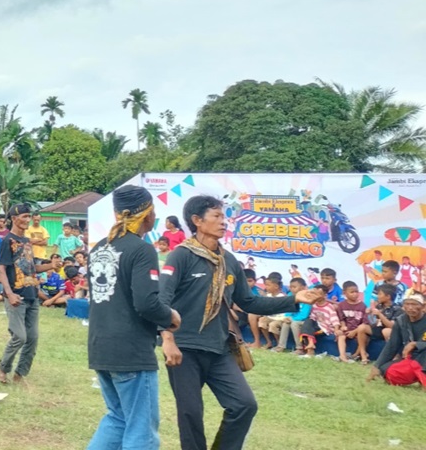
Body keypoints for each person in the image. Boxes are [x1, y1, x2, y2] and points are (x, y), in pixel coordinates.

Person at [159, 195, 320, 450]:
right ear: (197, 221)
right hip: (184, 348)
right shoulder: (181, 256)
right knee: (190, 414)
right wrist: (167, 339)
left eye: (224, 217)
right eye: (217, 217)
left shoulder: (228, 260)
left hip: (219, 348)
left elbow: (249, 302)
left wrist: (294, 299)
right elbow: (163, 299)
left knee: (244, 405)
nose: (223, 222)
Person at [86, 185, 180, 450]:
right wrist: (170, 317)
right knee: (142, 429)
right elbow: (147, 303)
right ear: (148, 215)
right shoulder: (142, 250)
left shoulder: (99, 249)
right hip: (130, 351)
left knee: (117, 418)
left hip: (100, 346)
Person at [0, 203, 59, 384]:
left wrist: (51, 266)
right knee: (19, 336)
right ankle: (3, 368)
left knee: (32, 338)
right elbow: (1, 269)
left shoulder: (27, 242)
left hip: (32, 294)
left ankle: (20, 374)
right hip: (16, 295)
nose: (27, 220)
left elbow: (33, 268)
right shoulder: (7, 241)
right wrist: (9, 294)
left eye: (28, 216)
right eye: (24, 216)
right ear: (14, 219)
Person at [368, 292, 426, 387]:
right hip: (411, 358)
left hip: (423, 356)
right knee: (387, 371)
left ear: (423, 306)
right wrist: (377, 365)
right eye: (407, 304)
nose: (410, 308)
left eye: (414, 304)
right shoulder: (401, 321)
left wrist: (415, 344)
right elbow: (392, 346)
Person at [335, 281, 369, 363]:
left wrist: (354, 331)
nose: (355, 294)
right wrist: (343, 326)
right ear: (344, 293)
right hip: (346, 330)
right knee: (341, 336)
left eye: (356, 292)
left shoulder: (362, 306)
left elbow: (365, 322)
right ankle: (342, 356)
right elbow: (341, 319)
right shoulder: (341, 305)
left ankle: (357, 354)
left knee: (364, 338)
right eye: (352, 292)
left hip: (358, 330)